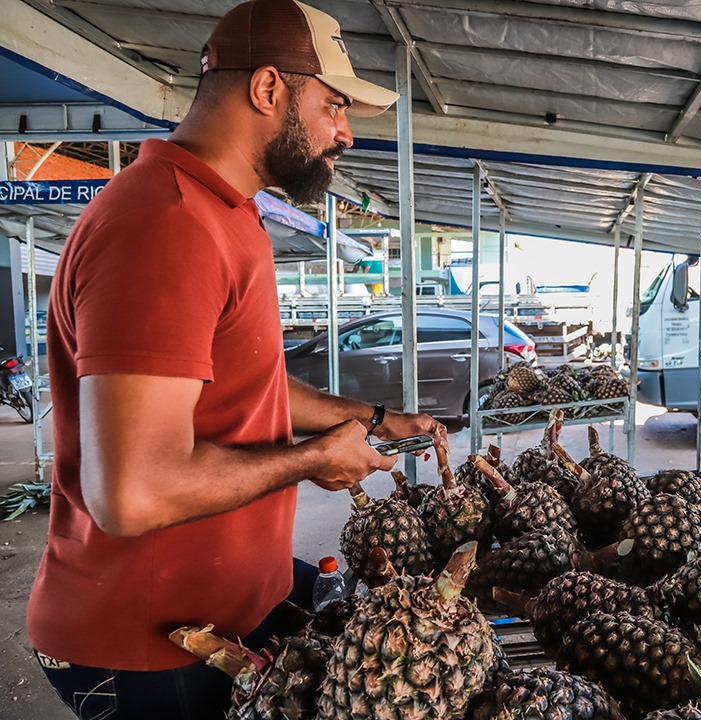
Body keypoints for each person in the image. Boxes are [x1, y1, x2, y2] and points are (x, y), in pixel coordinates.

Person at [26, 1, 445, 718]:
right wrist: (313, 459)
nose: (344, 133)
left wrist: (373, 417)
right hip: (149, 644)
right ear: (268, 89)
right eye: (334, 105)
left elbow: (252, 382)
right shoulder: (165, 225)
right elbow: (132, 495)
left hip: (231, 600)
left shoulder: (230, 212)